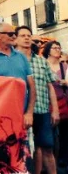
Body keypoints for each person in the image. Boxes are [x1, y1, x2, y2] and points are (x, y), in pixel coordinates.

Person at [15, 26, 58, 174]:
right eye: (22, 35)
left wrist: (55, 110)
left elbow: (50, 86)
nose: (27, 38)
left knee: (46, 147)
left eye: (28, 35)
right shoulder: (12, 61)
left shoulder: (41, 61)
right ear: (15, 39)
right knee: (27, 151)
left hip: (42, 110)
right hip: (20, 113)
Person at [0, 23, 35, 132]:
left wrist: (29, 113)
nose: (14, 36)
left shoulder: (21, 56)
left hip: (22, 116)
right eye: (10, 34)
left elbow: (31, 86)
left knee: (24, 149)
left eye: (14, 34)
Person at [44, 40, 68, 169]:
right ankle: (52, 158)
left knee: (64, 134)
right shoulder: (43, 64)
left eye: (59, 47)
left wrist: (65, 83)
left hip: (63, 103)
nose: (58, 50)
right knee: (51, 134)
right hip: (48, 103)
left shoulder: (64, 66)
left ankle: (62, 160)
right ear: (48, 50)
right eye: (54, 48)